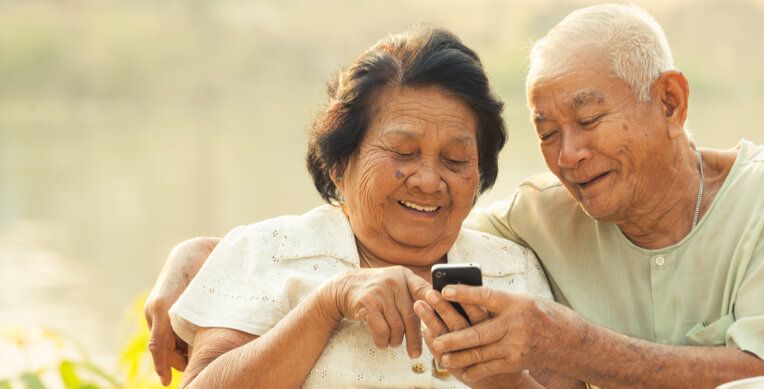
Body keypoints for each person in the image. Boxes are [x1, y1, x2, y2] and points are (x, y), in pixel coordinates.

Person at [146, 4, 764, 388]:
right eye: (548, 131)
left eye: (458, 159)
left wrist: (540, 357)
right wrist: (209, 258)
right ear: (338, 163)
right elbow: (380, 230)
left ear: (670, 101)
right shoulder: (544, 218)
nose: (570, 154)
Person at [157, 27, 569, 388]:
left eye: (456, 159)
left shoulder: (516, 271)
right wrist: (327, 303)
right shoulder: (264, 252)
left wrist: (504, 382)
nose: (428, 180)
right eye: (404, 152)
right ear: (339, 163)